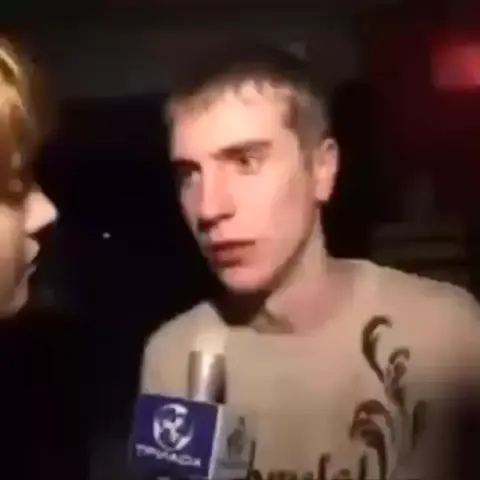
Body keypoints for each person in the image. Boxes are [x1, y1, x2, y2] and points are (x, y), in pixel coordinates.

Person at [140, 43, 480, 479]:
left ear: (322, 168)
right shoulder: (174, 356)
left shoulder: (446, 332)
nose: (208, 208)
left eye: (245, 161)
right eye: (190, 174)